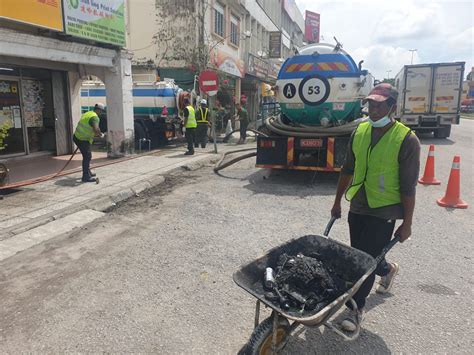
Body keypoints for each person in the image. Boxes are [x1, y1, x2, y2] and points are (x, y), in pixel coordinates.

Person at [330, 83, 420, 332]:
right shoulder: (359, 131)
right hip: (358, 203)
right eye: (371, 104)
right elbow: (347, 169)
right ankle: (388, 269)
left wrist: (408, 223)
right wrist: (337, 202)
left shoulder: (406, 139)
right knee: (361, 253)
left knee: (365, 260)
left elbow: (409, 186)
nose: (374, 110)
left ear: (392, 106)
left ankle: (356, 309)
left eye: (380, 105)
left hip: (385, 209)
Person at [73, 103, 106, 183]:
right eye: (101, 111)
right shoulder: (95, 117)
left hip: (77, 137)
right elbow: (96, 129)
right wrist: (101, 135)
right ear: (99, 110)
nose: (101, 113)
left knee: (86, 155)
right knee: (87, 156)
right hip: (82, 139)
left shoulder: (88, 113)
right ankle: (85, 177)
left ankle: (88, 173)